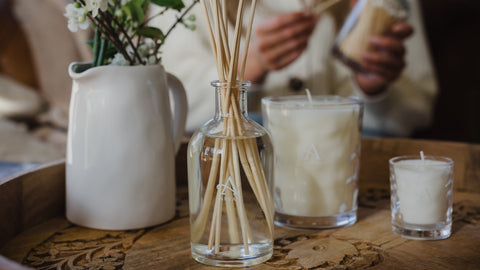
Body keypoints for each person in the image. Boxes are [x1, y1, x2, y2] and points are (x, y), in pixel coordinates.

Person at [153, 0, 438, 137]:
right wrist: (245, 69)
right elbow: (163, 103)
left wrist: (373, 87)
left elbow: (416, 107)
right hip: (234, 172)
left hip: (348, 165)